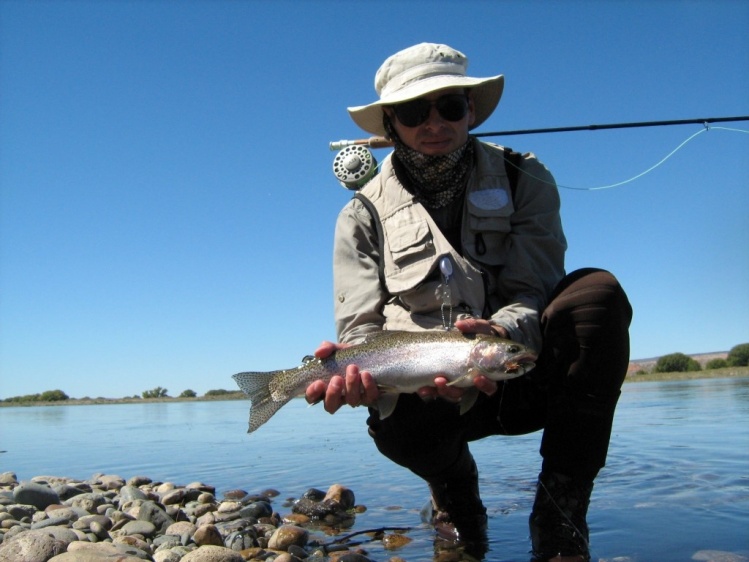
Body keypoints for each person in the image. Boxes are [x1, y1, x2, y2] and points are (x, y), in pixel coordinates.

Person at [306, 43, 632, 562]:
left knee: (598, 295)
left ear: (471, 111)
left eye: (450, 106)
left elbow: (533, 289)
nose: (434, 122)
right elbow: (360, 332)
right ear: (390, 124)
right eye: (414, 112)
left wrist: (502, 333)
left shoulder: (525, 177)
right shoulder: (360, 214)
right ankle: (454, 497)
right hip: (421, 393)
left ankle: (561, 512)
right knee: (398, 429)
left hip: (517, 372)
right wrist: (353, 376)